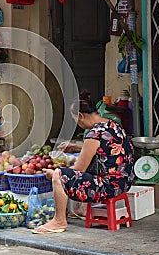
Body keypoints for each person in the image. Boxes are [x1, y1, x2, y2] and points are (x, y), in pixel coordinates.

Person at [32, 89, 134, 234]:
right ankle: (77, 211)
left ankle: (59, 221)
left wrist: (53, 173)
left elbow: (79, 169)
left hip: (110, 186)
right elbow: (106, 147)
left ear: (80, 116)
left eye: (75, 120)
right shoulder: (112, 124)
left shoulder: (93, 134)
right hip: (125, 182)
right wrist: (76, 146)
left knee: (59, 176)